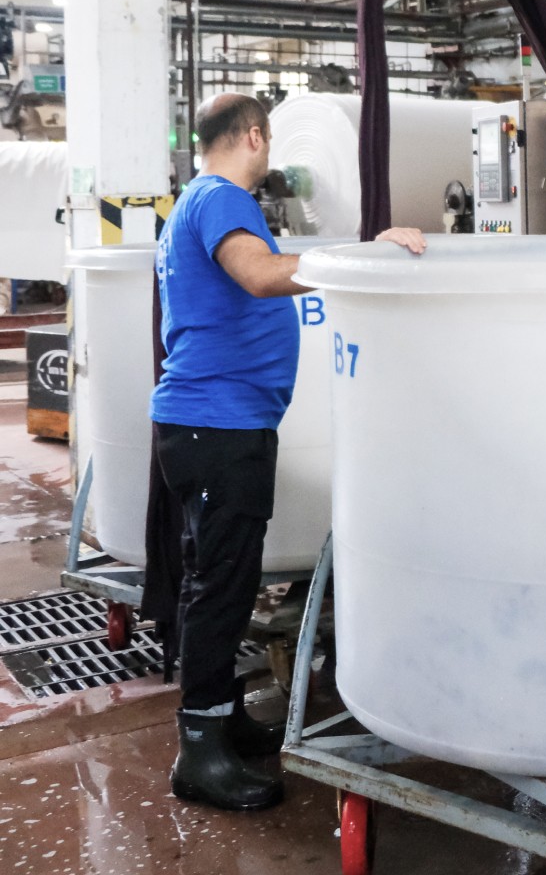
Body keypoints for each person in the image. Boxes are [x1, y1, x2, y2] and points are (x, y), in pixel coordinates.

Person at [149, 92, 425, 811]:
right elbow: (260, 274)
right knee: (220, 586)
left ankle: (222, 717)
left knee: (223, 579)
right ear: (254, 135)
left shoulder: (193, 201)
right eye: (268, 141)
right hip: (218, 425)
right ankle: (199, 752)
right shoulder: (222, 199)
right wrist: (361, 258)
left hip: (213, 423)